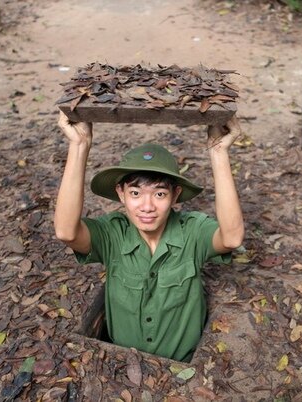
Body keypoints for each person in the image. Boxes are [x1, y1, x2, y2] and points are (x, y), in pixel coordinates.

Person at [54, 111, 244, 362]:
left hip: (181, 367)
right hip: (120, 366)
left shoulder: (192, 232)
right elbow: (66, 232)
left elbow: (231, 238)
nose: (146, 206)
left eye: (159, 195)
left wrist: (219, 152)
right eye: (135, 193)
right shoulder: (113, 233)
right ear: (120, 193)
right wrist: (79, 145)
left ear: (175, 196)